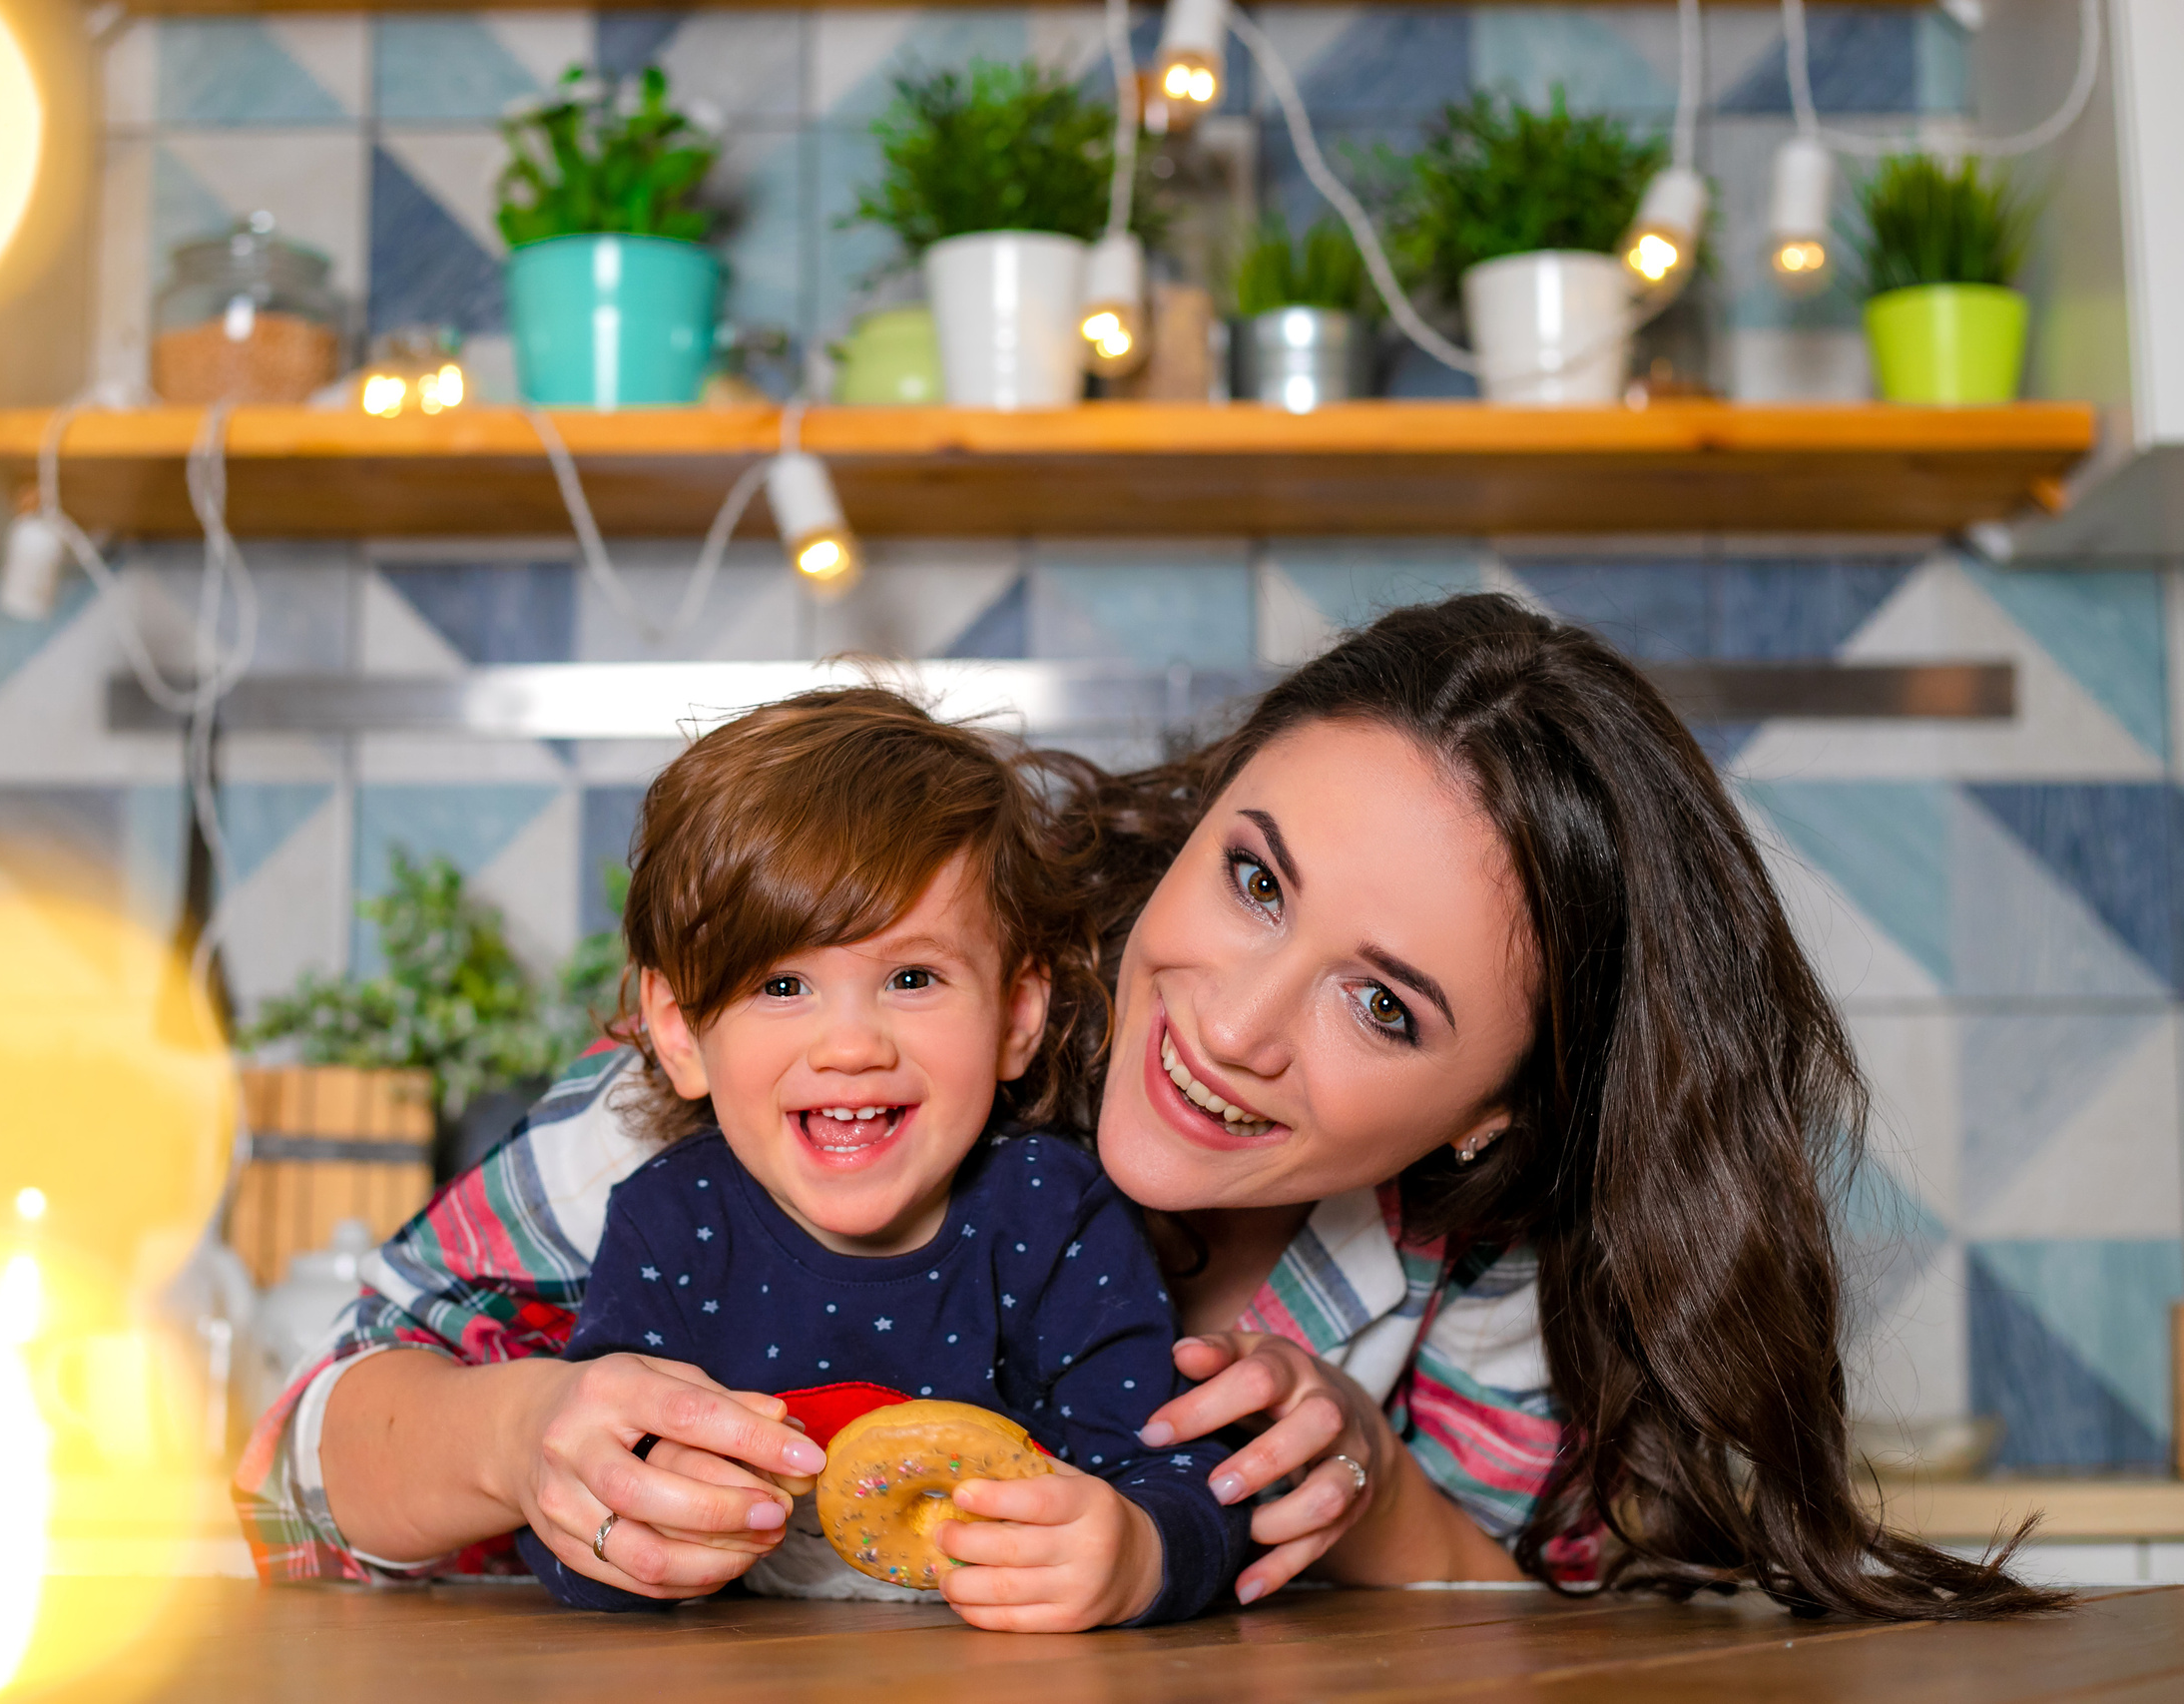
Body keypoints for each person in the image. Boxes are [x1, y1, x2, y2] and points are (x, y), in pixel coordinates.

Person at [238, 594, 2057, 1619]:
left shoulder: (1475, 1261)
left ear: (1497, 1111)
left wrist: (1355, 1481)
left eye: (1382, 1002)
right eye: (1253, 878)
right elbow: (297, 1450)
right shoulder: (821, 1048)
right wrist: (517, 1436)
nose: (1236, 1025)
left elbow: (1535, 1626)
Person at [507, 690, 1246, 1627]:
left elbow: (1185, 1472)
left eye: (912, 977)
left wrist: (1138, 1553)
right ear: (679, 1031)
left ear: (1017, 1013)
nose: (851, 1045)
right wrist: (631, 1524)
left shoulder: (1055, 1215)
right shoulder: (671, 1221)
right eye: (782, 984)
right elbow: (572, 1510)